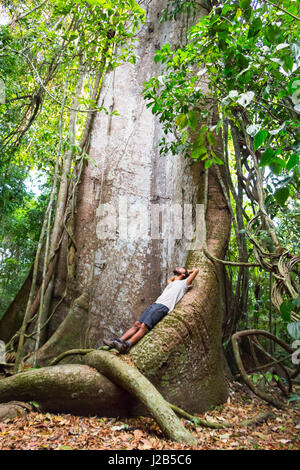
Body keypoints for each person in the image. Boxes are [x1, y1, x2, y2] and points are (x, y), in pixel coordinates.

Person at [103, 267, 199, 353]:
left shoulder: (184, 284)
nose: (179, 267)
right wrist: (181, 272)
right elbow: (171, 279)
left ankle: (126, 345)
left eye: (182, 268)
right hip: (156, 304)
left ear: (183, 274)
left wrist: (187, 271)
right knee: (137, 324)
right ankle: (118, 341)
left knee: (144, 326)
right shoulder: (172, 283)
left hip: (164, 306)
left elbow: (196, 271)